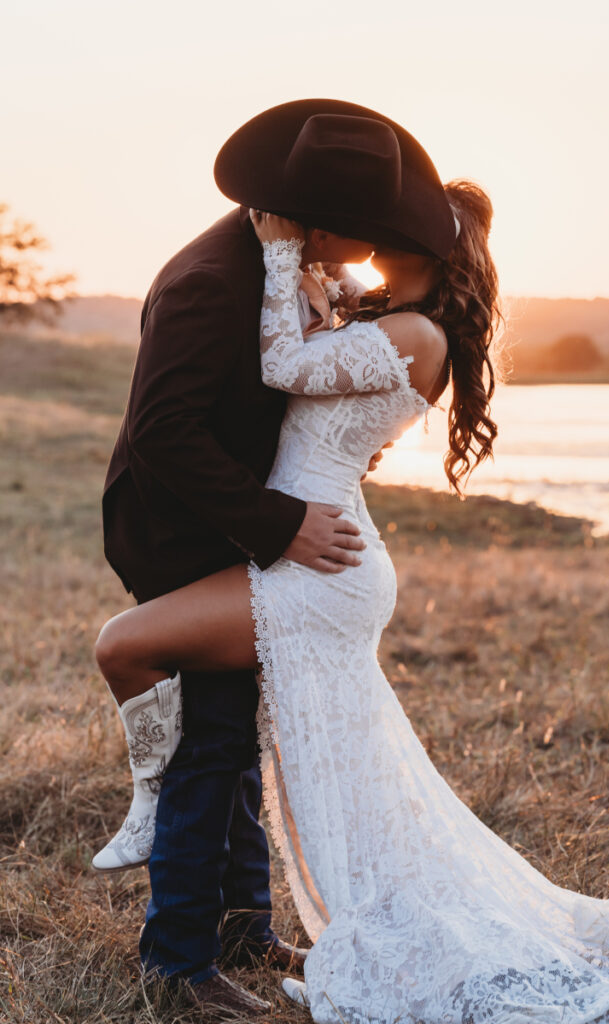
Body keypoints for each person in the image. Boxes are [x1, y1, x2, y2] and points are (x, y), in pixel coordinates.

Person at [95, 135, 609, 1022]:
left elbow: (282, 370)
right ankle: (231, 919)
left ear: (425, 254)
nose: (365, 248)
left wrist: (289, 259)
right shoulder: (350, 310)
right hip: (300, 546)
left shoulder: (408, 330)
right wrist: (309, 291)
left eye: (386, 235)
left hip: (315, 558)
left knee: (160, 685)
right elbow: (275, 399)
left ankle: (167, 880)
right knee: (253, 746)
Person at [95, 98, 461, 1016]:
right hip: (189, 534)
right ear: (317, 217)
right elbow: (163, 434)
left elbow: (291, 397)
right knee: (210, 740)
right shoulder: (209, 283)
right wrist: (279, 522)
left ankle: (239, 926)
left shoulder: (281, 267)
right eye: (364, 231)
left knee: (237, 731)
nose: (371, 249)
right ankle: (180, 962)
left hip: (249, 535)